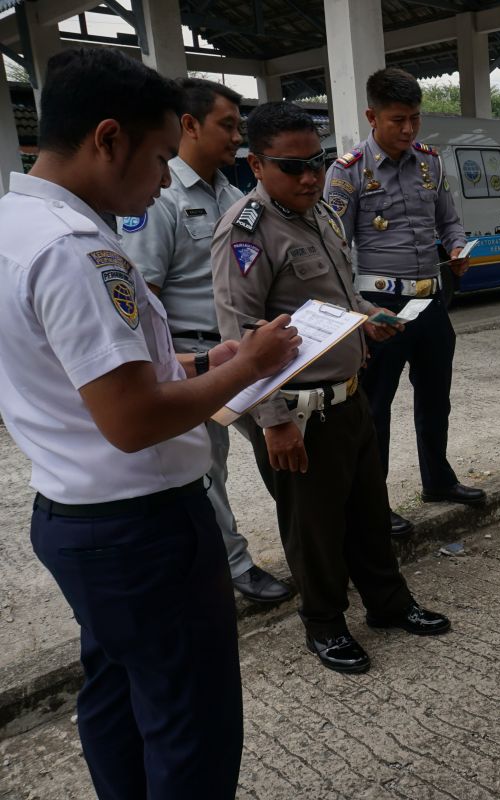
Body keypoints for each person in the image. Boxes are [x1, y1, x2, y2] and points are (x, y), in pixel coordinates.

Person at [0, 49, 300, 800]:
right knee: (190, 726)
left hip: (76, 517)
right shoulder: (78, 251)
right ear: (108, 139)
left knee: (114, 697)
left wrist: (205, 365)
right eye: (162, 155)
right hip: (143, 532)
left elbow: (94, 382)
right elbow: (131, 420)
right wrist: (249, 364)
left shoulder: (15, 223)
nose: (166, 179)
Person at [212, 102, 452, 675]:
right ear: (256, 165)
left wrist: (369, 316)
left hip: (348, 397)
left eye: (315, 163)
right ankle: (324, 625)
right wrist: (273, 423)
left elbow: (336, 300)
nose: (309, 177)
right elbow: (240, 337)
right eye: (291, 167)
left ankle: (388, 604)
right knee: (315, 531)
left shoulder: (319, 215)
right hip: (299, 416)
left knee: (369, 513)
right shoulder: (246, 233)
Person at [119, 78, 291, 604]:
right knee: (207, 467)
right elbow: (141, 301)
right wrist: (181, 366)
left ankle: (309, 544)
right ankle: (234, 565)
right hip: (200, 358)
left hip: (245, 351)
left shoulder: (233, 194)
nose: (237, 137)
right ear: (189, 125)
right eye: (228, 125)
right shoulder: (160, 200)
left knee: (285, 443)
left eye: (240, 126)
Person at [324, 67, 485, 537]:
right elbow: (335, 249)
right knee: (375, 410)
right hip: (380, 308)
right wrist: (358, 310)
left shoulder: (430, 164)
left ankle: (438, 480)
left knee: (437, 400)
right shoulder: (348, 171)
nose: (409, 130)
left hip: (431, 303)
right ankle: (376, 502)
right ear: (372, 116)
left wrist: (456, 248)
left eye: (415, 119)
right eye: (398, 120)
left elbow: (450, 222)